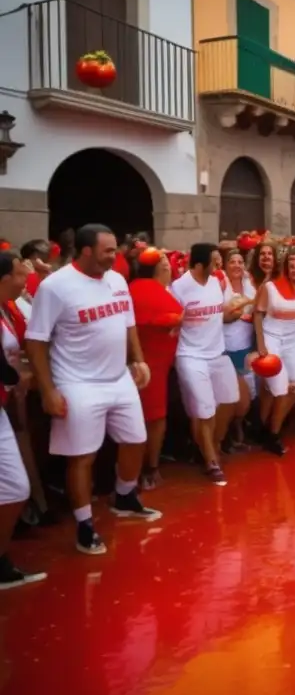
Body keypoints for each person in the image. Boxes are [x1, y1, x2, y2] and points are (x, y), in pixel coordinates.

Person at [24, 224, 158, 556]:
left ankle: (124, 496)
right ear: (86, 251)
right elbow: (36, 340)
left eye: (115, 249)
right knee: (82, 457)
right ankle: (84, 525)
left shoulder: (116, 281)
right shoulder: (55, 287)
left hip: (119, 378)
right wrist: (48, 389)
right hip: (77, 383)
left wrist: (138, 361)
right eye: (108, 251)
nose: (115, 256)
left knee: (136, 440)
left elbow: (128, 324)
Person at [170, 243, 238, 483]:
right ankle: (210, 461)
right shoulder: (179, 287)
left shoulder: (216, 282)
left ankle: (213, 444)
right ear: (200, 264)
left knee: (230, 400)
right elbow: (171, 322)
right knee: (205, 410)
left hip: (217, 352)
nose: (218, 265)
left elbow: (220, 315)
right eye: (215, 260)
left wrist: (235, 312)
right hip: (191, 355)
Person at [0, 252, 46, 589]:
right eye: (20, 274)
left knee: (15, 486)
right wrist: (18, 378)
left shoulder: (7, 308)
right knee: (16, 485)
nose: (25, 279)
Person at [129, 250, 182, 489]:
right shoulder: (146, 291)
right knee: (152, 418)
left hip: (151, 363)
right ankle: (147, 469)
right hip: (150, 365)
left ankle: (141, 469)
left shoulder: (137, 288)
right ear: (161, 268)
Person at [253, 247, 295, 454]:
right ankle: (273, 435)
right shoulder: (269, 287)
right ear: (284, 266)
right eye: (291, 264)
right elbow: (257, 314)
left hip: (292, 342)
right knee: (279, 389)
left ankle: (268, 427)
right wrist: (261, 345)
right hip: (272, 339)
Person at [221, 248, 257, 449]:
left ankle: (239, 427)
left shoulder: (249, 285)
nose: (236, 265)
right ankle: (227, 435)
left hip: (246, 345)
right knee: (231, 394)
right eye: (232, 262)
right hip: (226, 346)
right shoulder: (221, 286)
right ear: (226, 265)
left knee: (248, 393)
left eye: (240, 262)